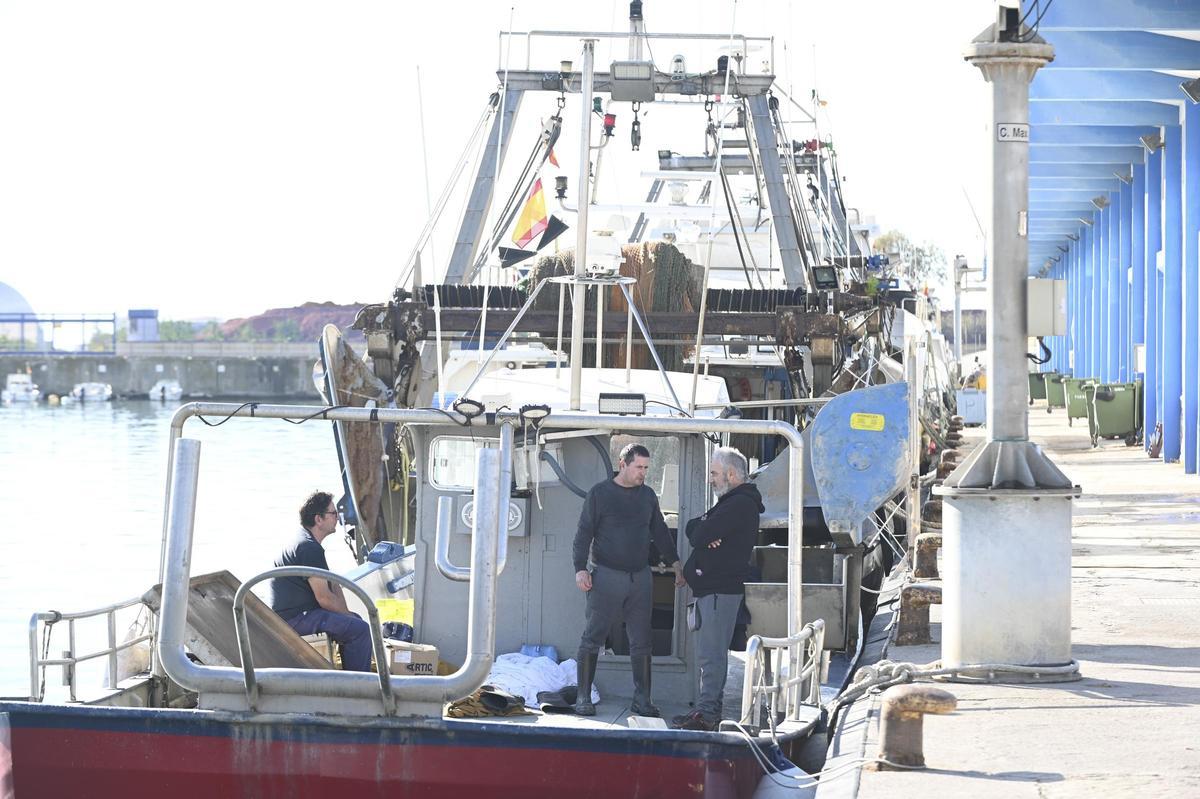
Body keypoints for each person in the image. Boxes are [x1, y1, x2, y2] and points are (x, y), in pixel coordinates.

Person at [572, 443, 685, 717]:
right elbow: (584, 533)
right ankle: (583, 697)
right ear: (623, 464)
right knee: (593, 636)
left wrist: (676, 564)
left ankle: (642, 699)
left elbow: (659, 530)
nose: (643, 473)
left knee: (642, 640)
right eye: (639, 467)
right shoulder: (600, 494)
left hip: (640, 578)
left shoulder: (647, 496)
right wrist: (580, 568)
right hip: (606, 575)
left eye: (646, 468)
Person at [673, 446, 762, 731]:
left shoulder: (738, 504)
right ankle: (708, 709)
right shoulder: (729, 502)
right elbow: (692, 527)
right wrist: (705, 529)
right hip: (710, 591)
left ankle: (707, 714)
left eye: (714, 473)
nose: (710, 479)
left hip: (718, 591)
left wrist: (705, 531)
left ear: (731, 474)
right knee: (708, 654)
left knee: (711, 655)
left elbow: (699, 534)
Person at [267, 491, 372, 672]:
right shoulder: (309, 548)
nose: (338, 518)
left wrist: (346, 614)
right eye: (333, 513)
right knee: (360, 629)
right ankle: (358, 686)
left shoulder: (305, 543)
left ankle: (348, 677)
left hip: (300, 615)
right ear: (319, 519)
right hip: (296, 619)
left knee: (355, 623)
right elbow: (324, 598)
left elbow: (332, 587)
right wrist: (347, 615)